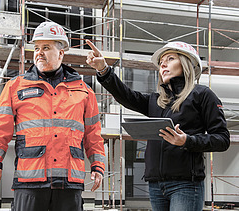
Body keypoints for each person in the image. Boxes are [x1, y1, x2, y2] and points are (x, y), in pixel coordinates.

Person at [86, 40, 230, 211]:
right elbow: (127, 96)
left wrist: (187, 141)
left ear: (186, 64)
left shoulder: (203, 95)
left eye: (170, 59)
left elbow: (222, 139)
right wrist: (104, 70)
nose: (163, 64)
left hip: (185, 185)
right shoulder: (157, 100)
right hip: (156, 185)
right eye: (161, 62)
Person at [0, 22, 105, 211]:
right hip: (30, 180)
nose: (39, 52)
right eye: (37, 48)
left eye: (46, 48)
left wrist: (97, 166)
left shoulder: (84, 91)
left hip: (69, 182)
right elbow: (0, 129)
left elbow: (93, 135)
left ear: (61, 53)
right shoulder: (15, 87)